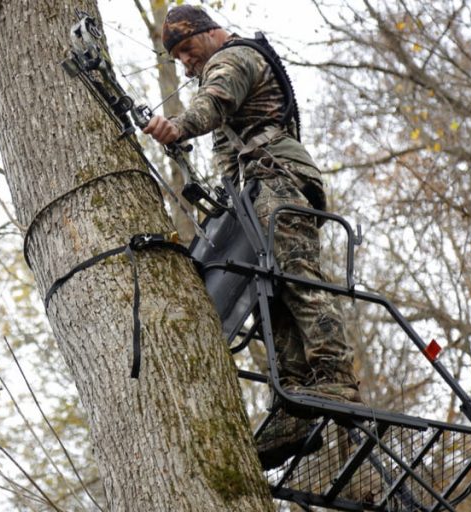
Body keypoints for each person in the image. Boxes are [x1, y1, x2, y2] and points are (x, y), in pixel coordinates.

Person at [143, 5, 362, 470]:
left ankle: (335, 375)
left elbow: (214, 101)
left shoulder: (233, 59)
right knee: (273, 295)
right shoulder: (222, 60)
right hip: (260, 189)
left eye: (187, 49)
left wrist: (178, 126)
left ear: (207, 33)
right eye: (177, 57)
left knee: (298, 280)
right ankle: (296, 406)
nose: (186, 63)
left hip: (277, 183)